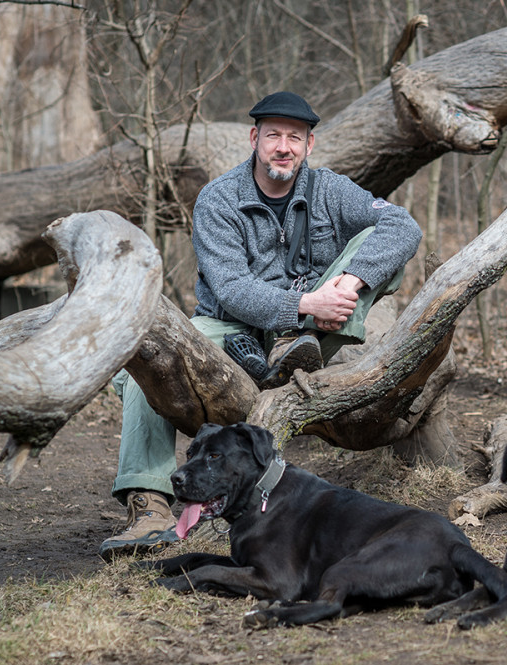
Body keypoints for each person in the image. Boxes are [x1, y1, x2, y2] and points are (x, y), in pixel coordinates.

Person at [99, 91, 422, 560]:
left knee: (382, 243)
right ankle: (149, 506)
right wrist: (307, 303)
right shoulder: (219, 199)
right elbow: (231, 288)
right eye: (273, 135)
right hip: (228, 329)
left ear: (310, 145)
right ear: (255, 138)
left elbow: (403, 227)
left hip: (311, 336)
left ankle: (295, 345)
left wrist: (348, 283)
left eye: (295, 137)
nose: (284, 147)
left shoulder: (330, 189)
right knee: (150, 355)